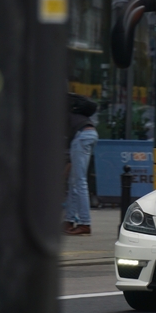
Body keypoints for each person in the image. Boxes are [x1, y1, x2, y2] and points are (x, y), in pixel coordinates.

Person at [63, 93, 99, 235]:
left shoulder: (62, 116)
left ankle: (85, 223)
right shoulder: (72, 113)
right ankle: (69, 221)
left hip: (82, 137)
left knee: (79, 182)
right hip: (89, 134)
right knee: (74, 181)